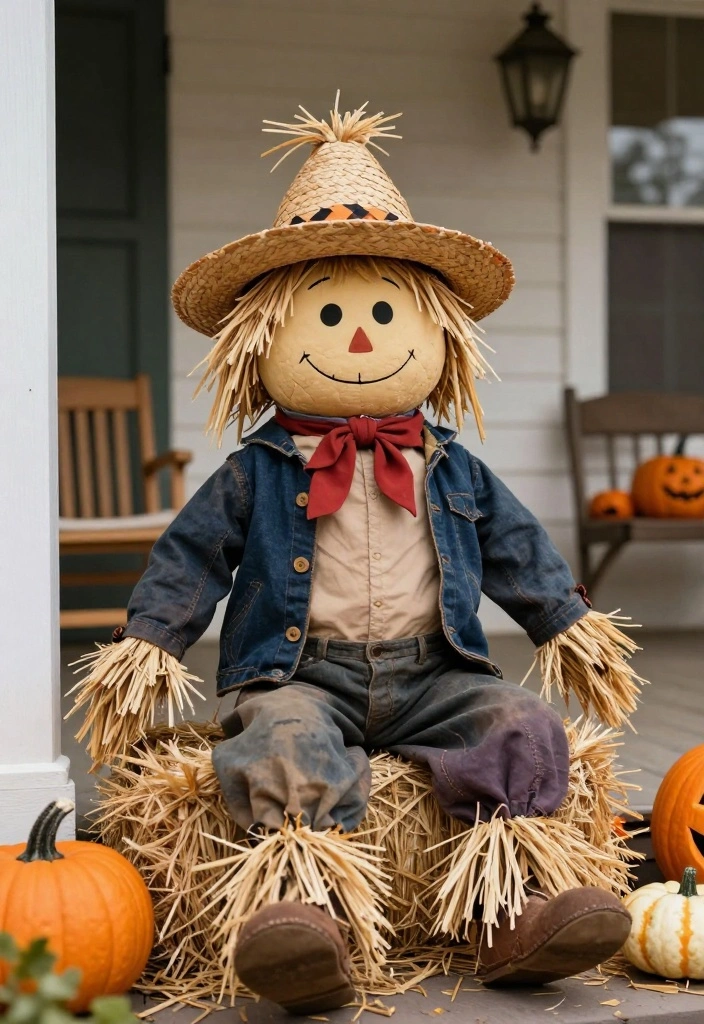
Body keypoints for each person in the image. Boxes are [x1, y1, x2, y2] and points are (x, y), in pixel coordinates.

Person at [72, 98, 641, 1015]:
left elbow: (516, 549)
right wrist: (151, 642)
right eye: (332, 314)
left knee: (518, 726)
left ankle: (510, 913)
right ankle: (307, 917)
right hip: (300, 672)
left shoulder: (449, 461)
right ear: (264, 337)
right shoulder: (256, 469)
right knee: (281, 742)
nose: (363, 335)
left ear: (436, 334)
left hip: (435, 673)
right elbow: (191, 560)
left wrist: (565, 623)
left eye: (383, 313)